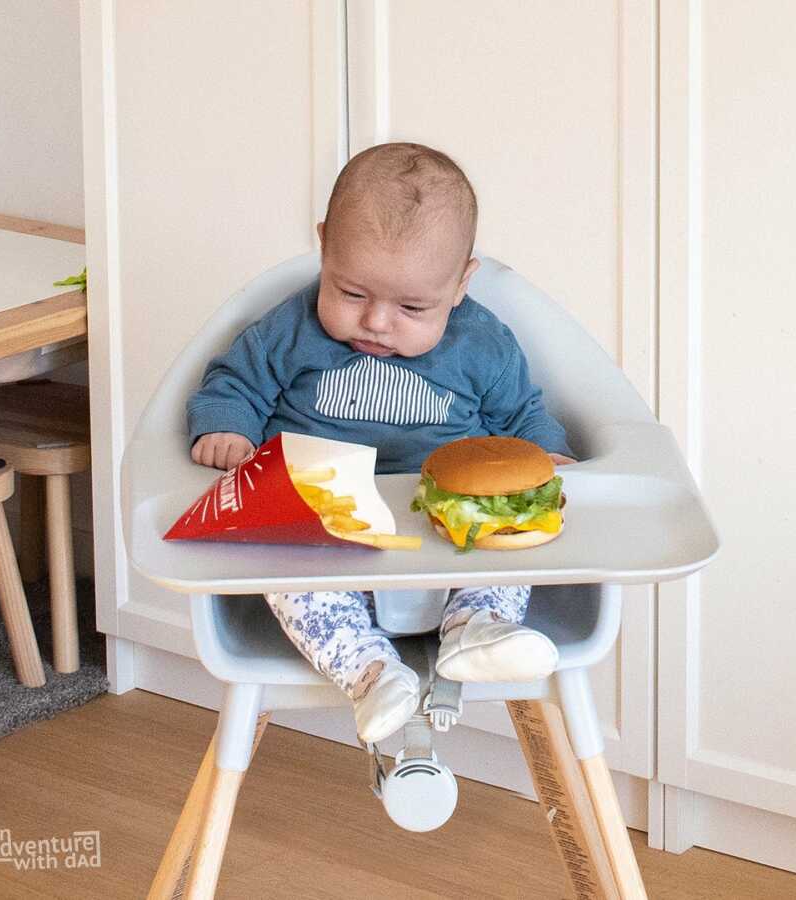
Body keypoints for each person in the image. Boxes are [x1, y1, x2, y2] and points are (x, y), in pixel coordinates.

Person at [187, 142, 576, 744]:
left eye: (413, 306)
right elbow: (235, 380)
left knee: (507, 547)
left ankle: (478, 626)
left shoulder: (481, 345)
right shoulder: (289, 330)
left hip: (444, 527)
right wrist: (227, 428)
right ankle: (369, 675)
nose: (376, 322)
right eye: (352, 294)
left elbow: (522, 413)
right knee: (287, 571)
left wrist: (545, 457)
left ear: (461, 283)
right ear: (324, 249)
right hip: (323, 528)